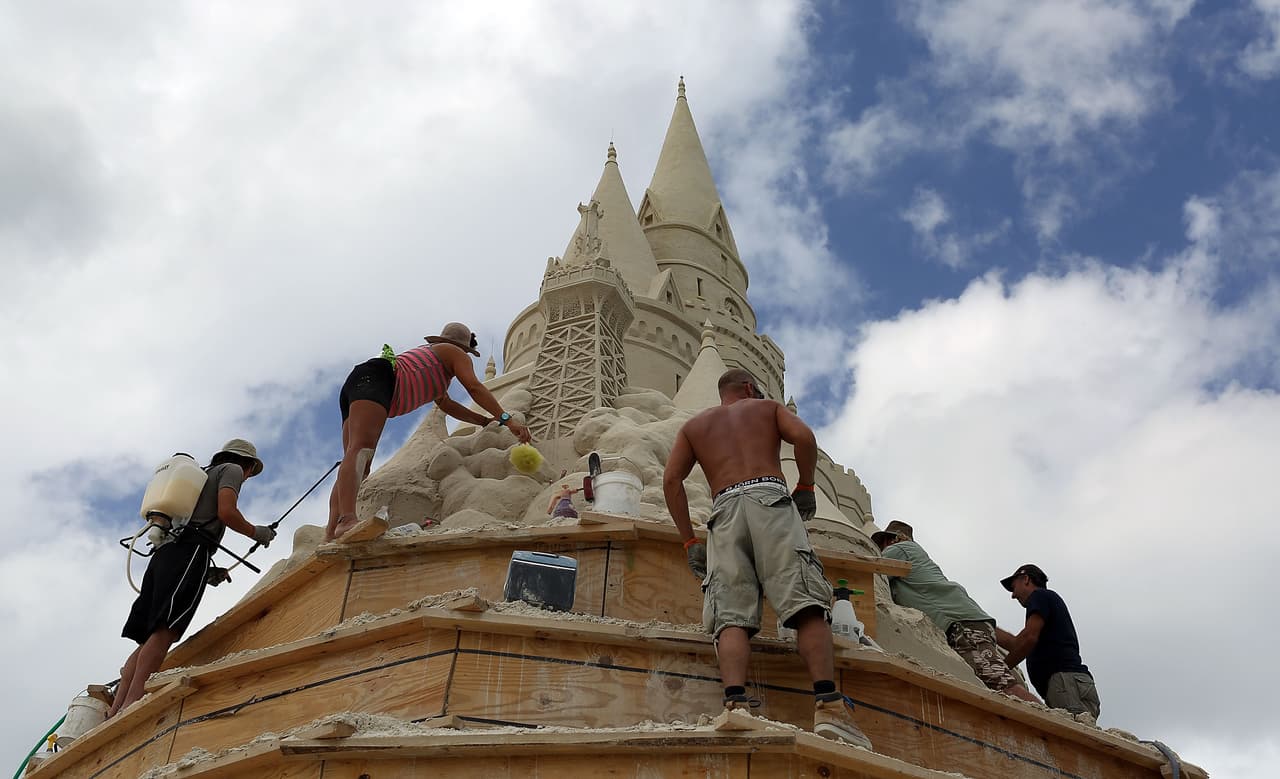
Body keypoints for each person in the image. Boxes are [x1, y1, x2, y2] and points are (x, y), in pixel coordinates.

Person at [663, 368, 873, 750]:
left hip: (724, 511)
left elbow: (671, 481)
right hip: (770, 500)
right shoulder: (766, 407)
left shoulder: (695, 427)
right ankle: (828, 706)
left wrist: (689, 540)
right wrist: (806, 485)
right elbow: (805, 437)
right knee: (806, 603)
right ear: (748, 388)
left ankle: (736, 706)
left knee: (730, 614)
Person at [108, 439, 276, 718]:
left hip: (165, 552)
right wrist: (255, 532)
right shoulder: (231, 470)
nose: (247, 478)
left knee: (149, 635)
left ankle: (115, 710)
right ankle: (132, 704)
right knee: (166, 629)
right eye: (251, 472)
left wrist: (207, 571)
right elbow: (226, 512)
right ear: (247, 465)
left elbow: (191, 525)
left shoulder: (201, 476)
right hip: (191, 551)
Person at [327, 323, 532, 541]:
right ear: (463, 348)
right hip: (378, 378)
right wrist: (506, 419)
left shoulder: (433, 364)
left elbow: (447, 404)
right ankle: (346, 520)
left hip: (361, 379)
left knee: (357, 458)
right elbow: (474, 387)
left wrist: (483, 421)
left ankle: (331, 531)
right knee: (360, 450)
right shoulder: (454, 353)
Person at [871, 521, 1037, 704]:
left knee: (1005, 687)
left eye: (882, 543)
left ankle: (1054, 725)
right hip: (970, 623)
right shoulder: (919, 559)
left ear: (892, 539)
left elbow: (874, 570)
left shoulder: (900, 548)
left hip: (962, 627)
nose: (881, 548)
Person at [996, 564, 1101, 721]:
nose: (1013, 595)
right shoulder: (1047, 601)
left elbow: (1028, 639)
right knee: (1082, 734)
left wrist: (1000, 670)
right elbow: (1018, 643)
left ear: (1025, 579)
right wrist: (990, 630)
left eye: (1013, 587)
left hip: (1065, 683)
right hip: (1073, 683)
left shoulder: (1039, 596)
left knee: (1071, 734)